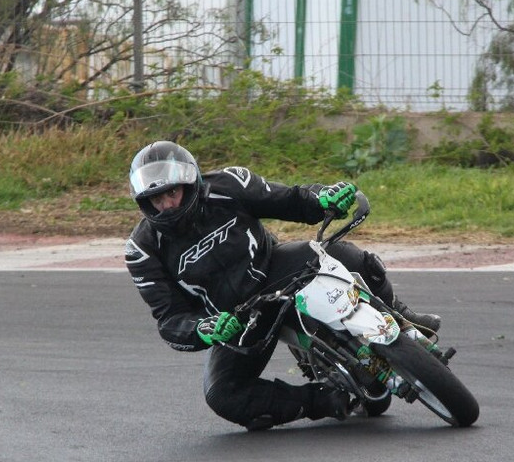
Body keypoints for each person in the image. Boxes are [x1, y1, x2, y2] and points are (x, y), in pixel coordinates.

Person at [124, 140, 440, 431]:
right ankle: (324, 399)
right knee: (222, 395)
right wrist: (202, 328)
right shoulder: (142, 250)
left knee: (346, 255)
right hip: (238, 320)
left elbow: (287, 199)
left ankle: (401, 314)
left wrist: (323, 198)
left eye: (172, 193)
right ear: (144, 202)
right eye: (157, 199)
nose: (167, 205)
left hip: (276, 270)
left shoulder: (229, 184)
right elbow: (169, 318)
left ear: (190, 183)